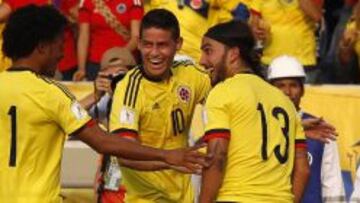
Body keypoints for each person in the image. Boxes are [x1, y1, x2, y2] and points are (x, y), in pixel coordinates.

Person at [0, 5, 209, 202]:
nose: (62, 54)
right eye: (59, 46)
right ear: (42, 48)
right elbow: (103, 142)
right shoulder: (51, 93)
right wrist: (167, 155)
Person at [198, 20, 309, 203]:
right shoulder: (284, 101)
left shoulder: (223, 91)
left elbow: (217, 156)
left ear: (233, 54)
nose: (202, 60)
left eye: (208, 50)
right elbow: (303, 169)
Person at [109, 8, 211, 202]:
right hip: (145, 199)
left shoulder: (191, 75)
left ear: (178, 44)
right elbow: (123, 153)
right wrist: (168, 159)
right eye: (148, 45)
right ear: (138, 44)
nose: (154, 53)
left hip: (184, 197)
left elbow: (224, 100)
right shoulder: (128, 88)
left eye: (162, 45)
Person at [267, 55, 345, 203]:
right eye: (280, 86)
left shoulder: (321, 130)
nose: (287, 92)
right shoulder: (259, 126)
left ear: (303, 90)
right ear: (270, 90)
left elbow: (332, 183)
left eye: (293, 85)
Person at [249, 0, 323, 83]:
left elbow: (317, 16)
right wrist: (257, 31)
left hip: (303, 62)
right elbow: (253, 25)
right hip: (270, 62)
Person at [73, 0, 143, 81]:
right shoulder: (87, 2)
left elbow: (136, 37)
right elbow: (83, 37)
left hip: (124, 63)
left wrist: (117, 56)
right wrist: (81, 69)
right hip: (96, 64)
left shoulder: (132, 1)